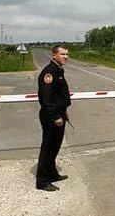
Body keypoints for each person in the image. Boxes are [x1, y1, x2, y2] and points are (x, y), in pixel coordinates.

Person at [36, 44, 72, 191]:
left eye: (67, 54)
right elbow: (46, 98)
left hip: (59, 113)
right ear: (54, 55)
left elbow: (59, 96)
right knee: (48, 147)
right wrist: (56, 116)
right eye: (62, 54)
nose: (65, 57)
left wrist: (63, 112)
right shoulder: (49, 73)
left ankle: (52, 173)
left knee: (55, 147)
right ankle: (42, 181)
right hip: (51, 116)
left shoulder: (58, 70)